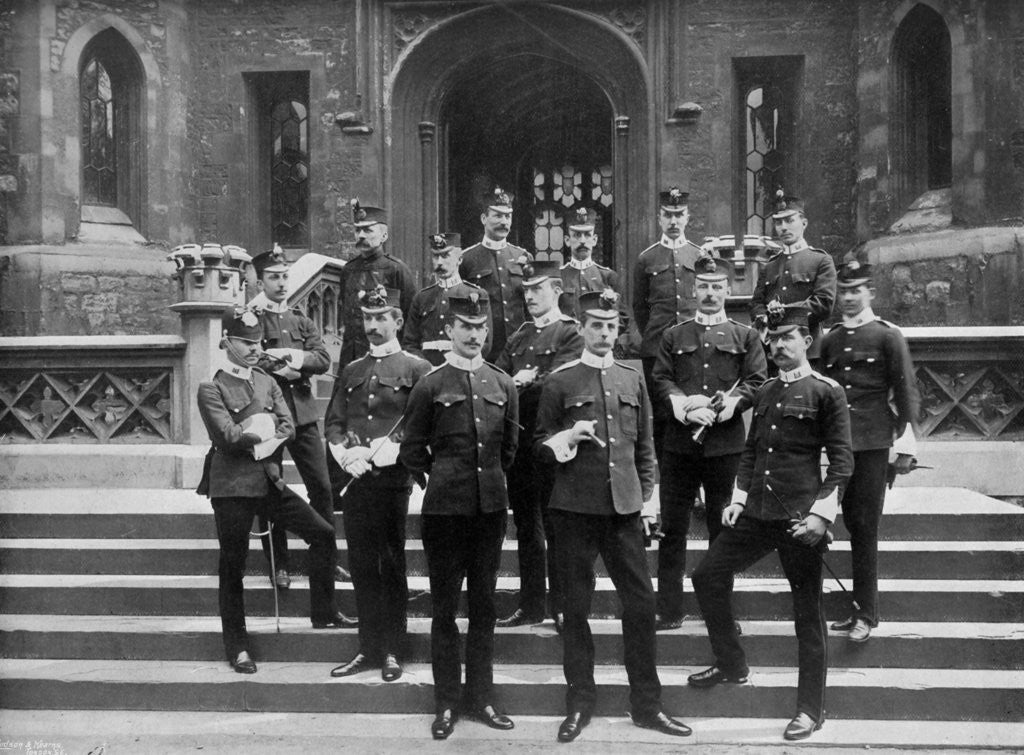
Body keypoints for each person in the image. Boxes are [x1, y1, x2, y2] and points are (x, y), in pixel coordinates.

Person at [534, 288, 693, 743]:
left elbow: (645, 446)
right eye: (596, 325)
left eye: (612, 325)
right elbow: (539, 446)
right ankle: (579, 703)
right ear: (581, 328)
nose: (605, 332)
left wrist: (649, 498)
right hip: (574, 510)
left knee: (641, 606)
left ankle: (646, 705)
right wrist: (568, 435)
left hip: (624, 510)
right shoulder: (561, 379)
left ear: (620, 329)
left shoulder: (632, 375)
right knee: (575, 609)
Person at [689, 306, 853, 742]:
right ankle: (731, 664)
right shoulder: (762, 393)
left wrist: (821, 516)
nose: (778, 346)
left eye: (788, 337)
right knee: (706, 576)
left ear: (807, 341)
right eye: (772, 338)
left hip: (801, 519)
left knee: (806, 614)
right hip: (757, 514)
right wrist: (738, 499)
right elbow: (751, 452)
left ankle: (809, 710)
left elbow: (842, 462)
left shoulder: (826, 392)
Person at [399, 288, 519, 740]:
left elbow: (509, 448)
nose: (473, 334)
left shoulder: (502, 383)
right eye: (465, 327)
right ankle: (447, 702)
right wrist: (443, 476)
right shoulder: (431, 384)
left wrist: (485, 480)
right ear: (448, 330)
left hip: (490, 509)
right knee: (446, 608)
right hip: (444, 513)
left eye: (480, 328)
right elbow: (412, 448)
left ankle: (482, 697)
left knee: (485, 605)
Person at [196, 307, 339, 673]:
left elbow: (289, 426)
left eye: (258, 341)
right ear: (226, 342)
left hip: (269, 482)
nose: (255, 348)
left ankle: (323, 613)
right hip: (231, 488)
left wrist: (261, 432)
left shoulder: (266, 380)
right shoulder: (211, 387)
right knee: (233, 565)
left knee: (322, 535)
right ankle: (238, 645)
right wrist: (263, 426)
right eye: (245, 342)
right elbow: (227, 438)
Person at [650, 253, 767, 630]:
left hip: (725, 447)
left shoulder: (744, 336)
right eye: (704, 286)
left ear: (728, 289)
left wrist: (730, 405)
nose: (711, 293)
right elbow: (661, 380)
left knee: (723, 531)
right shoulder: (674, 335)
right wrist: (684, 407)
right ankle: (669, 610)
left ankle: (720, 612)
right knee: (672, 528)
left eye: (718, 287)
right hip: (680, 447)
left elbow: (757, 381)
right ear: (693, 289)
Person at [324, 285, 431, 681]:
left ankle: (392, 650)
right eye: (368, 318)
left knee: (391, 563)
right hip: (356, 480)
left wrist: (391, 453)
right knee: (362, 564)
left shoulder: (418, 370)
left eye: (381, 317)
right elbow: (334, 421)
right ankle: (368, 649)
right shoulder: (351, 370)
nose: (373, 325)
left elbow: (419, 424)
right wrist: (345, 455)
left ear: (398, 321)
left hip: (391, 481)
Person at [821, 260, 920, 642]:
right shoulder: (829, 339)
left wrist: (906, 444)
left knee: (864, 525)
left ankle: (866, 612)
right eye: (843, 291)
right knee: (834, 521)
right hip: (837, 443)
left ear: (870, 294)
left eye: (856, 290)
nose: (848, 298)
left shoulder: (887, 336)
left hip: (874, 442)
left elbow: (907, 391)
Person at [248, 245, 354, 603]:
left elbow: (323, 358)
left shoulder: (301, 320)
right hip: (269, 417)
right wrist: (282, 368)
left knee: (322, 488)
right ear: (259, 279)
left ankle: (326, 558)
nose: (280, 283)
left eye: (283, 277)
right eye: (273, 277)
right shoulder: (250, 320)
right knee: (271, 489)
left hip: (305, 416)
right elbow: (246, 357)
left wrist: (293, 359)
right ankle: (278, 563)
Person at [494, 260, 584, 631]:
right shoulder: (519, 336)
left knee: (555, 524)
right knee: (527, 527)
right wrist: (515, 382)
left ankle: (562, 605)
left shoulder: (570, 334)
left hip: (552, 441)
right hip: (519, 441)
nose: (529, 297)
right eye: (526, 290)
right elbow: (497, 377)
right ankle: (532, 604)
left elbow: (562, 382)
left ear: (557, 291)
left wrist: (526, 382)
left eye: (537, 289)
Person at [632, 187, 713, 459]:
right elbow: (640, 308)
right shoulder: (646, 258)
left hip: (693, 346)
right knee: (664, 414)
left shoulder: (700, 256)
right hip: (656, 349)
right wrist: (657, 339)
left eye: (679, 215)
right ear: (659, 218)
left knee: (696, 408)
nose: (674, 221)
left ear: (688, 217)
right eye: (668, 215)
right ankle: (668, 480)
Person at [750, 190, 837, 363]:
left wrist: (784, 312)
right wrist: (766, 316)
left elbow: (824, 303)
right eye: (778, 222)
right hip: (774, 352)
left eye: (790, 220)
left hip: (808, 352)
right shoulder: (770, 265)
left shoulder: (820, 260)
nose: (783, 227)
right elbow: (756, 304)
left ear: (804, 223)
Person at [338, 199, 416, 366]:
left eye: (368, 230)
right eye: (358, 230)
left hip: (387, 357)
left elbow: (411, 321)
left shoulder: (397, 270)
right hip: (351, 357)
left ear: (384, 235)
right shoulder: (348, 270)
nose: (361, 235)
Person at [458, 187, 531, 361]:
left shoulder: (522, 257)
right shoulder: (467, 259)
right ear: (484, 218)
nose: (504, 222)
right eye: (497, 216)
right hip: (483, 349)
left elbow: (530, 306)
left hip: (519, 348)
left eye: (508, 216)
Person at [402, 232, 490, 365]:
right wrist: (425, 368)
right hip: (427, 373)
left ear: (459, 259)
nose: (439, 263)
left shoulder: (476, 295)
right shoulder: (421, 298)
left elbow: (486, 342)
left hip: (463, 370)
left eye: (445, 256)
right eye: (435, 256)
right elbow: (410, 344)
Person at [558, 207, 622, 321]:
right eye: (577, 235)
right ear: (567, 240)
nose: (582, 240)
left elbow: (622, 320)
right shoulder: (558, 276)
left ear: (594, 240)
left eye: (587, 235)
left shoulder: (608, 277)